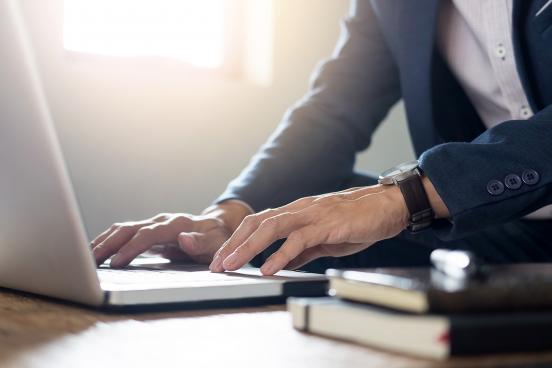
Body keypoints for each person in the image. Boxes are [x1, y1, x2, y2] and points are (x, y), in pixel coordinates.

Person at [91, 0, 552, 275]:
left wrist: (406, 196)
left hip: (471, 204)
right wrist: (229, 217)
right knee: (294, 232)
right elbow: (335, 110)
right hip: (489, 224)